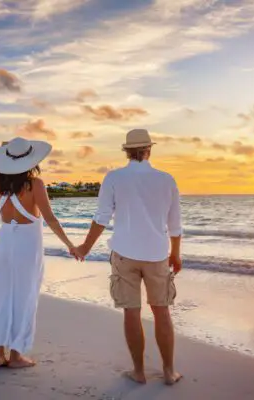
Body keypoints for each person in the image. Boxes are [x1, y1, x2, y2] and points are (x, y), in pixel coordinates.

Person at [73, 128, 183, 385]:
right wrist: (176, 255)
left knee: (131, 313)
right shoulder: (166, 180)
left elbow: (101, 219)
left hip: (124, 255)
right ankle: (169, 371)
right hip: (157, 255)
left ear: (127, 151)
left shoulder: (114, 178)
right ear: (149, 150)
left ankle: (139, 372)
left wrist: (85, 248)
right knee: (161, 312)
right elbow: (175, 224)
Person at [0, 137, 79, 369]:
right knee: (24, 297)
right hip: (27, 246)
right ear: (31, 160)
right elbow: (51, 219)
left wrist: (0, 151)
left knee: (3, 295)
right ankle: (15, 356)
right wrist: (69, 244)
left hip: (5, 244)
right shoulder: (35, 184)